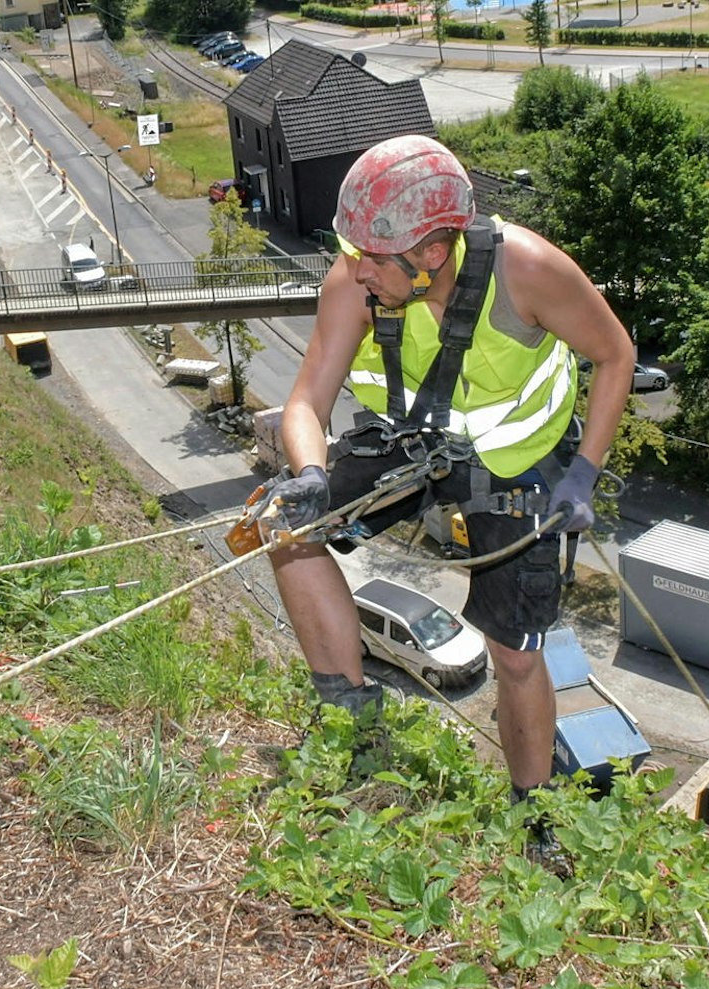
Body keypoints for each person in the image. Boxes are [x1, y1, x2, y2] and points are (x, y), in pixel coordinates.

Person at [256, 135, 636, 866]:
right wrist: (308, 476)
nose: (353, 269)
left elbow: (614, 353)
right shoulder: (358, 280)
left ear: (431, 253)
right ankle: (353, 727)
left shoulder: (529, 270)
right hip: (412, 447)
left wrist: (583, 471)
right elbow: (306, 400)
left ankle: (536, 818)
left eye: (369, 255)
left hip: (518, 475)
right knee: (283, 526)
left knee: (517, 657)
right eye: (351, 250)